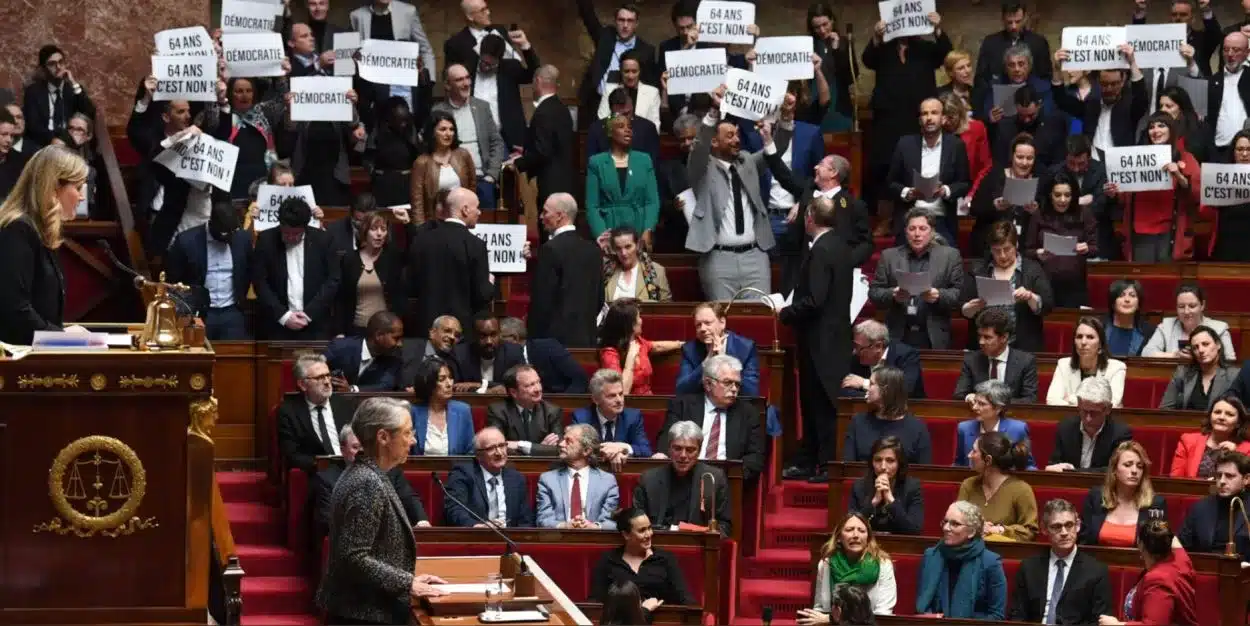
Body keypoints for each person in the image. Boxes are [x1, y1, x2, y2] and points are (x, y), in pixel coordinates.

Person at [316, 397, 448, 624]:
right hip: (363, 615)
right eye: (407, 433)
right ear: (383, 437)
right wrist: (408, 584)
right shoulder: (366, 482)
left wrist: (407, 579)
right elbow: (353, 557)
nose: (413, 441)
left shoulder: (368, 473)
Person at [781, 196, 854, 483]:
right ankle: (813, 459)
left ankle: (825, 464)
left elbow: (815, 299)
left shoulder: (822, 250)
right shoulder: (840, 245)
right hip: (832, 338)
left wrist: (786, 312)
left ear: (810, 217)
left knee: (821, 402)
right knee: (817, 401)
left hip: (820, 341)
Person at [685, 86, 776, 300]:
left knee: (758, 319)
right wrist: (713, 111)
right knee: (721, 322)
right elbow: (699, 147)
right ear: (714, 142)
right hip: (718, 259)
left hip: (755, 257)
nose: (737, 140)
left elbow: (773, 152)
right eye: (730, 136)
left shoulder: (747, 162)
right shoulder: (701, 168)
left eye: (736, 134)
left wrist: (785, 124)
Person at [0, 146, 88, 344]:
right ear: (54, 187)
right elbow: (14, 310)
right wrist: (61, 338)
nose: (81, 197)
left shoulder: (38, 230)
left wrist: (61, 332)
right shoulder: (17, 229)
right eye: (78, 187)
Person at [1106, 112, 1201, 262]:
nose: (1155, 131)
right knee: (1143, 278)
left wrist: (1178, 175)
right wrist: (1114, 192)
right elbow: (1124, 197)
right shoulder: (1136, 157)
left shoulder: (1186, 158)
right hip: (1139, 230)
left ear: (1172, 129)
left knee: (1166, 278)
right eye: (1151, 127)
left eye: (1161, 126)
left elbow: (1197, 195)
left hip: (1170, 233)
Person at [656, 354, 767, 481]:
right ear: (708, 384)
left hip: (727, 482)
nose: (734, 389)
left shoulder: (748, 413)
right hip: (683, 477)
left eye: (737, 384)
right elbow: (666, 442)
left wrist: (730, 477)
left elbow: (755, 458)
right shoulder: (682, 406)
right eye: (728, 383)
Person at [868, 208, 965, 351]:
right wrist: (892, 294)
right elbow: (874, 293)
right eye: (912, 228)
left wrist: (939, 295)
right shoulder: (889, 256)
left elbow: (959, 294)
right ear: (906, 231)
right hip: (898, 333)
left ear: (932, 232)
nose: (917, 234)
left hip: (933, 333)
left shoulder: (950, 256)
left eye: (922, 228)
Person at [313, 424, 430, 539]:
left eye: (365, 447)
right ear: (343, 450)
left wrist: (422, 520)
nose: (362, 452)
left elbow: (409, 497)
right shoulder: (328, 479)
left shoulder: (391, 471)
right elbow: (328, 522)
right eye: (356, 447)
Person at [1008, 499, 1113, 624]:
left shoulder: (1096, 571)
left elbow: (1098, 621)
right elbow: (1017, 615)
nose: (1064, 533)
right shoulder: (1029, 568)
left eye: (1069, 525)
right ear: (1044, 529)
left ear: (1078, 525)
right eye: (1056, 527)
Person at [959, 220, 1054, 354]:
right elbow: (963, 309)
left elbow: (1047, 306)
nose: (1002, 256)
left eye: (1007, 249)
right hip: (983, 347)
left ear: (1016, 245)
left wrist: (1030, 297)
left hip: (1022, 347)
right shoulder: (977, 270)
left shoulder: (1032, 269)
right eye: (997, 251)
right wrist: (973, 306)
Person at [408, 187, 494, 334]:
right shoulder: (476, 245)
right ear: (465, 210)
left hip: (427, 328)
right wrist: (490, 283)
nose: (479, 212)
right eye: (477, 207)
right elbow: (481, 296)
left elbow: (410, 285)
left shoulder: (421, 240)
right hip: (460, 332)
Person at [252, 198, 340, 340]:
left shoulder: (324, 240)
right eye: (286, 233)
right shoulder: (266, 239)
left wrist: (309, 313)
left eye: (296, 234)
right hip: (277, 325)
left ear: (305, 227)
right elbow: (260, 282)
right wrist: (284, 316)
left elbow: (332, 280)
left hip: (315, 325)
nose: (291, 238)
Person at [163, 201, 252, 340]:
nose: (229, 237)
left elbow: (247, 273)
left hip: (232, 310)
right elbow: (173, 282)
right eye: (224, 233)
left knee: (236, 354)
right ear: (211, 224)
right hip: (198, 312)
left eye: (233, 232)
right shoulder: (186, 241)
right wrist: (187, 314)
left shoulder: (242, 238)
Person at [527, 193, 603, 349]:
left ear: (560, 216)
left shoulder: (550, 249)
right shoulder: (593, 250)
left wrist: (533, 340)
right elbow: (599, 299)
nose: (541, 217)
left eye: (545, 212)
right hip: (587, 340)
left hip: (555, 344)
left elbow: (542, 303)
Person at [1098, 511, 1198, 626]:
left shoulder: (1158, 581)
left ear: (1140, 544)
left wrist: (1117, 625)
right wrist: (1158, 526)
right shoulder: (1181, 560)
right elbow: (1171, 536)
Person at [589, 507, 694, 614]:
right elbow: (595, 602)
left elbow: (685, 599)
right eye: (642, 530)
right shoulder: (608, 560)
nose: (649, 534)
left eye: (649, 528)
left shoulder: (666, 559)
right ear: (626, 535)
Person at [634, 421, 731, 535]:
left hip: (697, 545)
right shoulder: (648, 479)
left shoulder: (714, 478)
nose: (683, 455)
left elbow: (725, 525)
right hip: (656, 544)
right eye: (677, 448)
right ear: (669, 449)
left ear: (699, 451)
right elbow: (636, 523)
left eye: (690, 450)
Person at [914, 501, 1008, 619]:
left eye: (955, 524)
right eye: (945, 522)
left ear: (972, 532)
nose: (946, 528)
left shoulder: (991, 562)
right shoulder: (931, 556)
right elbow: (923, 605)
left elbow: (996, 616)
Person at [1025, 172, 1098, 308]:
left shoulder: (1084, 213)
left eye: (1067, 195)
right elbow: (1027, 250)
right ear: (1050, 195)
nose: (1063, 200)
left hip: (1075, 285)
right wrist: (1038, 253)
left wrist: (1086, 248)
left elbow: (1095, 248)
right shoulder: (1039, 214)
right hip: (1044, 283)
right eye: (1057, 195)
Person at [805, 512, 898, 619]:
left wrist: (832, 620)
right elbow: (820, 608)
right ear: (839, 537)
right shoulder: (826, 564)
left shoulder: (883, 565)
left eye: (861, 531)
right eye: (849, 530)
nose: (855, 535)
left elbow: (883, 615)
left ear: (868, 538)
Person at [276, 355, 357, 474]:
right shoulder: (289, 411)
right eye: (319, 378)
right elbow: (292, 454)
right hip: (318, 472)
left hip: (350, 466)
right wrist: (320, 465)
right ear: (303, 385)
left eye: (328, 375)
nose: (327, 382)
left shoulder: (344, 404)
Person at [585, 113, 660, 238]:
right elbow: (592, 206)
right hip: (609, 228)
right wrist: (602, 235)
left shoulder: (644, 160)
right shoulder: (597, 162)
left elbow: (652, 201)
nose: (627, 130)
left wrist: (648, 229)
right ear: (610, 132)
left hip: (638, 228)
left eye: (630, 127)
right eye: (621, 126)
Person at [443, 426, 536, 527]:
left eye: (502, 446)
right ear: (479, 455)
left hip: (509, 539)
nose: (499, 453)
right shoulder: (463, 474)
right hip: (477, 538)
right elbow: (455, 509)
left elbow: (525, 521)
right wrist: (476, 526)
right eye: (491, 448)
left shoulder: (516, 479)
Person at [1079, 441, 1167, 547]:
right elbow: (1084, 540)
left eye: (1140, 466)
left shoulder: (1155, 503)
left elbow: (1159, 547)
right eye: (1127, 465)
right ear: (1114, 469)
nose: (1134, 471)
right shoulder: (1096, 497)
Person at [511, 65, 575, 208]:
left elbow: (543, 152)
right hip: (565, 181)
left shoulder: (543, 112)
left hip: (549, 184)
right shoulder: (562, 108)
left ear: (538, 81)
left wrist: (518, 162)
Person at [969, 133, 1041, 256]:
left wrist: (1036, 212)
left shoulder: (1040, 181)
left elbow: (1047, 218)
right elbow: (974, 208)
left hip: (1023, 248)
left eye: (1029, 158)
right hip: (990, 245)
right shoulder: (995, 176)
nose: (1024, 163)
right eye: (1020, 157)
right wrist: (994, 206)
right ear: (1012, 157)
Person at [535, 424, 620, 529]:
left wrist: (593, 527)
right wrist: (565, 526)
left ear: (586, 451)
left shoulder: (607, 481)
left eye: (568, 441)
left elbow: (610, 522)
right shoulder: (548, 479)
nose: (561, 444)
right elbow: (543, 519)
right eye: (563, 439)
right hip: (559, 539)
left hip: (594, 540)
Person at [842, 367, 932, 464]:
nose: (867, 388)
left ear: (885, 390)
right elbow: (849, 468)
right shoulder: (858, 422)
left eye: (871, 384)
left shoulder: (917, 428)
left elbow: (924, 471)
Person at [958, 432, 1039, 542]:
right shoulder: (968, 485)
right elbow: (956, 522)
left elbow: (1030, 531)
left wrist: (998, 530)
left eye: (974, 451)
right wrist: (977, 528)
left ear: (988, 460)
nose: (969, 455)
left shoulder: (1022, 490)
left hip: (1005, 554)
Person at [336, 211, 405, 337]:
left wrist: (407, 224)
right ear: (365, 231)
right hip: (356, 329)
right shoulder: (350, 259)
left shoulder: (392, 258)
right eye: (374, 229)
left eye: (383, 229)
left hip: (386, 331)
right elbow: (341, 299)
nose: (379, 234)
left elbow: (413, 248)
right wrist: (339, 331)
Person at [952, 308, 1040, 403]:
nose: (981, 342)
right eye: (979, 336)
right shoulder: (972, 360)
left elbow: (1030, 399)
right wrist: (969, 397)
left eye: (987, 337)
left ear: (1004, 337)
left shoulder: (1025, 361)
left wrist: (995, 403)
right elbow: (959, 394)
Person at [1046, 377, 1134, 473]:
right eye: (1084, 411)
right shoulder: (1065, 428)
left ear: (1108, 409)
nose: (1088, 418)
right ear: (1079, 404)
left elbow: (1115, 470)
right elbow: (1054, 464)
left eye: (1094, 413)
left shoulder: (1120, 433)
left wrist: (1074, 472)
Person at [597, 298, 683, 395]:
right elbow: (622, 392)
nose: (641, 320)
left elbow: (657, 346)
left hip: (648, 402)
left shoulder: (638, 341)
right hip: (628, 406)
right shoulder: (610, 353)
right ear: (630, 325)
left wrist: (681, 344)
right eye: (638, 317)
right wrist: (630, 357)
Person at [1177, 449, 1250, 561]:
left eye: (1229, 476)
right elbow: (1182, 547)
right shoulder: (1200, 508)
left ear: (1246, 479)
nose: (1222, 481)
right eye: (1219, 475)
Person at [675, 303, 760, 397]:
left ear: (722, 323)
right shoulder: (689, 349)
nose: (702, 329)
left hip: (735, 407)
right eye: (698, 325)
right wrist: (707, 362)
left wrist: (724, 360)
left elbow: (751, 392)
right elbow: (681, 391)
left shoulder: (745, 347)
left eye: (708, 323)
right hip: (702, 407)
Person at [571, 369, 654, 466]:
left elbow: (646, 451)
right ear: (596, 399)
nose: (619, 400)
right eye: (612, 396)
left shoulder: (633, 417)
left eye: (621, 394)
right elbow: (577, 450)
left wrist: (621, 448)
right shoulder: (582, 418)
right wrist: (611, 452)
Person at [409, 110, 476, 225]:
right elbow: (417, 203)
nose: (448, 133)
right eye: (443, 129)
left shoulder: (463, 155)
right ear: (433, 132)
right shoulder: (422, 163)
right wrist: (421, 230)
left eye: (451, 129)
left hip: (460, 222)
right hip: (433, 224)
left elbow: (472, 189)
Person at [849, 436, 924, 535]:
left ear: (899, 464)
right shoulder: (859, 487)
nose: (883, 467)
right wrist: (874, 502)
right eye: (878, 460)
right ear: (872, 462)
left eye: (890, 460)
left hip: (899, 546)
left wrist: (890, 499)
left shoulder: (912, 487)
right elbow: (850, 527)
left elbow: (914, 531)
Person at [1047, 317, 1128, 408]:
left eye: (1090, 337)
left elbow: (1112, 404)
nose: (1083, 342)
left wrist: (1071, 399)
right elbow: (1052, 400)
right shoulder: (1063, 365)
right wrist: (1094, 403)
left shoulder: (1116, 368)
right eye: (1079, 337)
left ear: (1100, 344)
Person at [955, 380, 1036, 470]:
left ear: (998, 408)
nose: (974, 407)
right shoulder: (964, 428)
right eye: (975, 402)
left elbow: (1028, 466)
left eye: (982, 404)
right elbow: (959, 465)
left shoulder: (1018, 429)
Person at [1143, 283, 1237, 360]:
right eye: (1181, 306)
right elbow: (1146, 353)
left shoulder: (1219, 329)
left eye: (1192, 306)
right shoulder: (1166, 326)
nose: (1186, 312)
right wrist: (1175, 355)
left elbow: (1230, 361)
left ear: (1202, 305)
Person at [486, 366, 565, 456]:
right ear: (513, 392)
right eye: (530, 385)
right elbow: (497, 447)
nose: (538, 389)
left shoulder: (552, 411)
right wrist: (540, 449)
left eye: (538, 382)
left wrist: (522, 445)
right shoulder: (497, 411)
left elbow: (560, 449)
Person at [498, 317, 589, 394]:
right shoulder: (503, 357)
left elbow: (579, 378)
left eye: (500, 337)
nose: (497, 342)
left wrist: (563, 403)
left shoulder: (548, 348)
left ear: (515, 338)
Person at [1159, 325, 1241, 411]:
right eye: (1195, 347)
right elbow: (1165, 409)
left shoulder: (1234, 375)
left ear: (1218, 345)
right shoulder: (1182, 373)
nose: (1201, 350)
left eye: (1205, 344)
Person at [322, 311, 404, 392]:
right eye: (396, 338)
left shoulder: (394, 357)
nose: (400, 344)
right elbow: (315, 368)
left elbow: (385, 386)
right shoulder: (340, 347)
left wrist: (351, 390)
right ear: (379, 335)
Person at [408, 356, 474, 456]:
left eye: (450, 378)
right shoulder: (413, 412)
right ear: (428, 383)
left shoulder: (463, 411)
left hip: (457, 470)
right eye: (442, 379)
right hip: (422, 470)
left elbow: (471, 451)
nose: (449, 384)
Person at [1171, 394, 1250, 478]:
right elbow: (1176, 479)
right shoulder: (1188, 441)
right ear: (1210, 416)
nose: (1221, 417)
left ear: (1238, 423)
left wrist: (1235, 456)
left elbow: (1246, 482)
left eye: (1229, 414)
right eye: (1217, 412)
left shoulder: (1247, 449)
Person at [841, 320, 924, 400]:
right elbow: (846, 390)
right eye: (855, 346)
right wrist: (876, 398)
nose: (855, 351)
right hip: (867, 411)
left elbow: (904, 390)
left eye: (859, 347)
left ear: (878, 346)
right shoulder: (857, 358)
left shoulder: (907, 356)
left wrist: (865, 383)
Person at [1201, 129, 1250, 261]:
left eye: (1248, 149)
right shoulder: (1220, 177)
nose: (1244, 154)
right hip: (1226, 244)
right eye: (1240, 149)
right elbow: (1204, 212)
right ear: (1233, 152)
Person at [451, 314, 526, 393]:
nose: (489, 341)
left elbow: (520, 384)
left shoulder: (513, 353)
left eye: (493, 335)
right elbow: (454, 386)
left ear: (500, 334)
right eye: (483, 336)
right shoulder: (460, 354)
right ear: (473, 336)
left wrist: (481, 385)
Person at [600, 225, 672, 302]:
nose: (623, 253)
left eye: (628, 247)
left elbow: (666, 306)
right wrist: (599, 248)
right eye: (618, 248)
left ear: (637, 245)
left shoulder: (657, 270)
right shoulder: (605, 270)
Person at [1104, 280, 1157, 358]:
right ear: (1113, 303)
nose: (1127, 300)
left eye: (1132, 295)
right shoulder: (1100, 328)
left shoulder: (1149, 332)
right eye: (1121, 295)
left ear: (1138, 304)